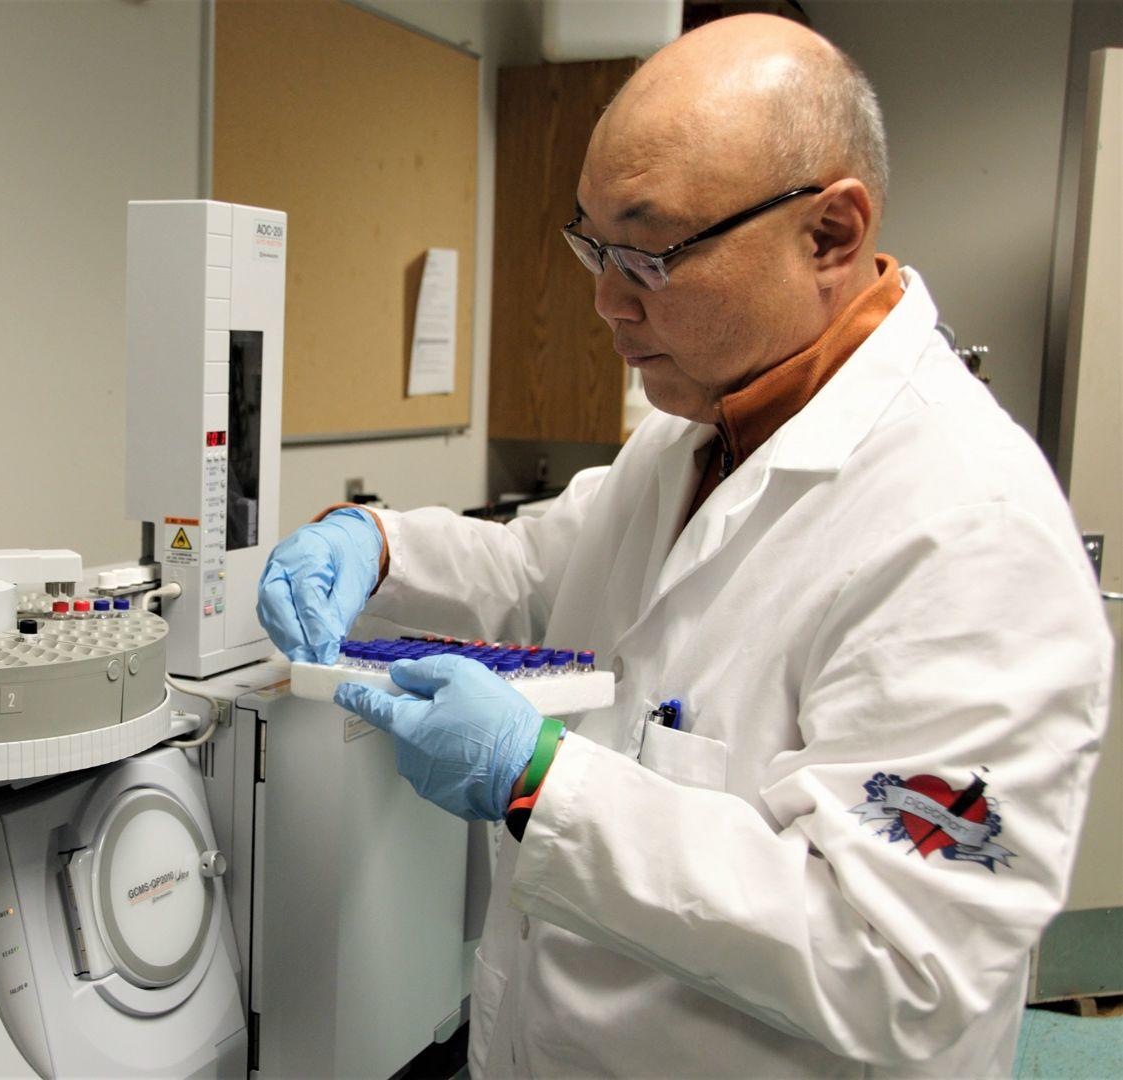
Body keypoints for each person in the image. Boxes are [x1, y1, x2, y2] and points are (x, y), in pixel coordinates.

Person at [258, 14, 1113, 1078]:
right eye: (590, 244)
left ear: (830, 235)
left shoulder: (968, 532)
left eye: (650, 252)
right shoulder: (696, 428)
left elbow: (901, 965)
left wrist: (541, 787)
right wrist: (374, 544)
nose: (606, 300)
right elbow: (537, 572)